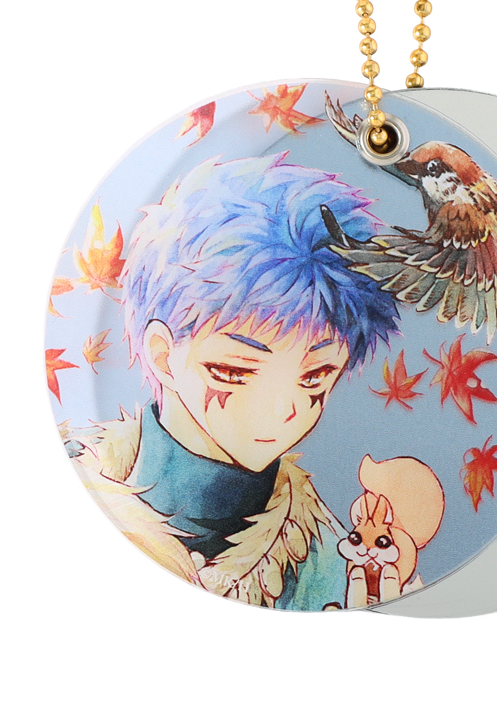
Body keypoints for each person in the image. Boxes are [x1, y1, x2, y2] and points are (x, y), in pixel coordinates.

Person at [61, 153, 399, 610]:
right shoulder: (69, 477)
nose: (283, 409)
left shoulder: (337, 565)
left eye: (315, 377)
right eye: (235, 371)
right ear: (162, 355)